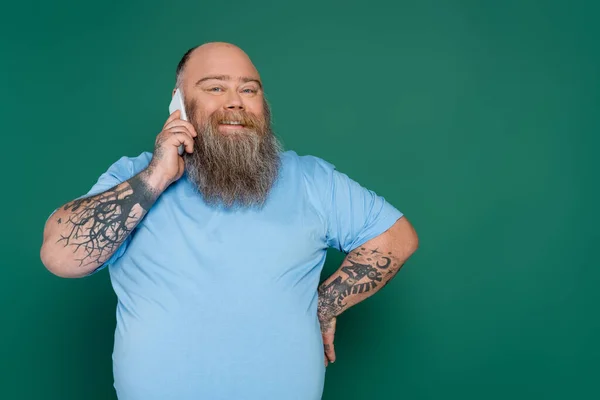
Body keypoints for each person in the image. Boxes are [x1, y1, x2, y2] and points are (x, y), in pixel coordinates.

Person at [40, 42, 419, 400]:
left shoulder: (310, 180)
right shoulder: (135, 177)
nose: (235, 102)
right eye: (215, 88)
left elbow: (395, 238)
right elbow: (61, 258)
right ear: (179, 104)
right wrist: (157, 175)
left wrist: (324, 307)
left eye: (249, 90)